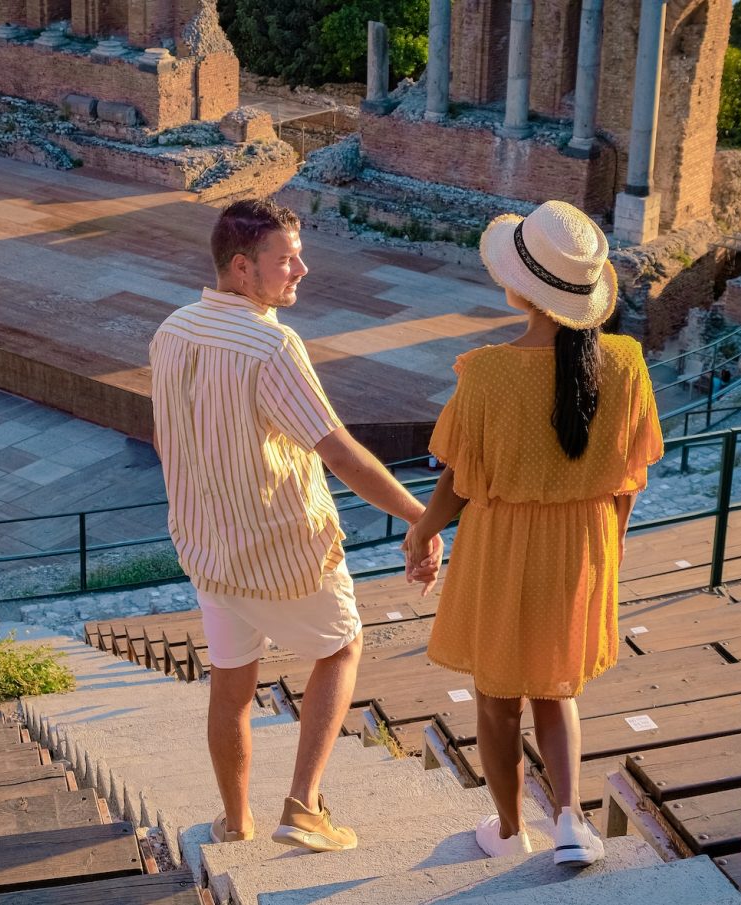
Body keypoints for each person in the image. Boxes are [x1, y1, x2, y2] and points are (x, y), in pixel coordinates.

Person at [150, 199, 442, 854]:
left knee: (231, 686)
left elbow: (168, 439)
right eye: (287, 259)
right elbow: (337, 452)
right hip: (286, 551)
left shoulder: (170, 331)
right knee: (341, 648)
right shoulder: (272, 344)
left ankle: (234, 820)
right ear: (244, 268)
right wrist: (421, 517)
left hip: (209, 553)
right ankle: (303, 805)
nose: (301, 269)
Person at [404, 201, 663, 865]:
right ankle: (572, 820)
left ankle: (510, 827)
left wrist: (423, 533)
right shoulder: (629, 364)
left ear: (521, 287)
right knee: (556, 687)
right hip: (583, 544)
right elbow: (627, 482)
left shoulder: (486, 371)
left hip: (502, 547)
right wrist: (608, 549)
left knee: (497, 701)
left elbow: (462, 480)